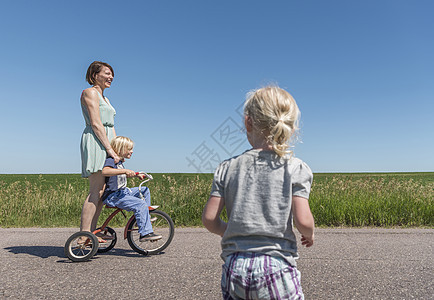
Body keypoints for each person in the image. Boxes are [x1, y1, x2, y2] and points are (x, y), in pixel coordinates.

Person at [202, 86, 315, 299]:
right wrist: (309, 234)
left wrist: (231, 230)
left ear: (248, 122)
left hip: (235, 267)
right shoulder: (296, 167)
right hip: (277, 267)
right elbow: (303, 220)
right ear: (290, 126)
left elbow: (209, 219)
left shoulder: (227, 167)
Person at [80, 61, 120, 242]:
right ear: (95, 75)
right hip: (96, 141)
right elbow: (96, 124)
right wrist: (109, 149)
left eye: (112, 74)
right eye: (107, 73)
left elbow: (111, 126)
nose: (111, 77)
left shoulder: (107, 99)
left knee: (103, 192)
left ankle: (93, 233)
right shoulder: (89, 93)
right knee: (96, 189)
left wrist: (117, 148)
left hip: (108, 142)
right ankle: (84, 235)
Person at [101, 136, 162, 242]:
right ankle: (145, 233)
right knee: (140, 204)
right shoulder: (112, 160)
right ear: (120, 149)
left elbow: (119, 176)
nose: (132, 151)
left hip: (123, 192)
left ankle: (145, 217)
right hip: (114, 196)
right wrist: (125, 171)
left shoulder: (119, 162)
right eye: (129, 149)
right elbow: (105, 171)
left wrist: (136, 174)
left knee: (144, 190)